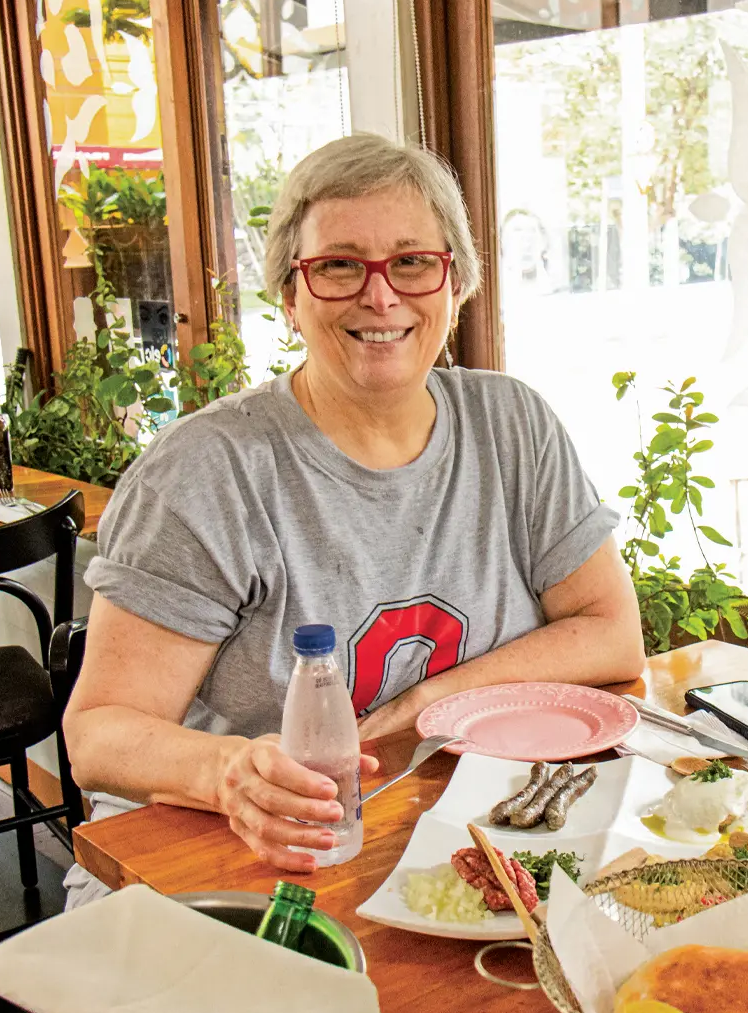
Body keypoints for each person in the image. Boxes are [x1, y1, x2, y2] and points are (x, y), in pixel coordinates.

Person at [62, 133, 645, 897]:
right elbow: (99, 732)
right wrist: (228, 773)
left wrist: (430, 704)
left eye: (411, 261)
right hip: (225, 868)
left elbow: (611, 634)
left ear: (456, 283)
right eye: (339, 265)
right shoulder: (207, 473)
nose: (381, 296)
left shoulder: (513, 425)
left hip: (442, 846)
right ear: (291, 297)